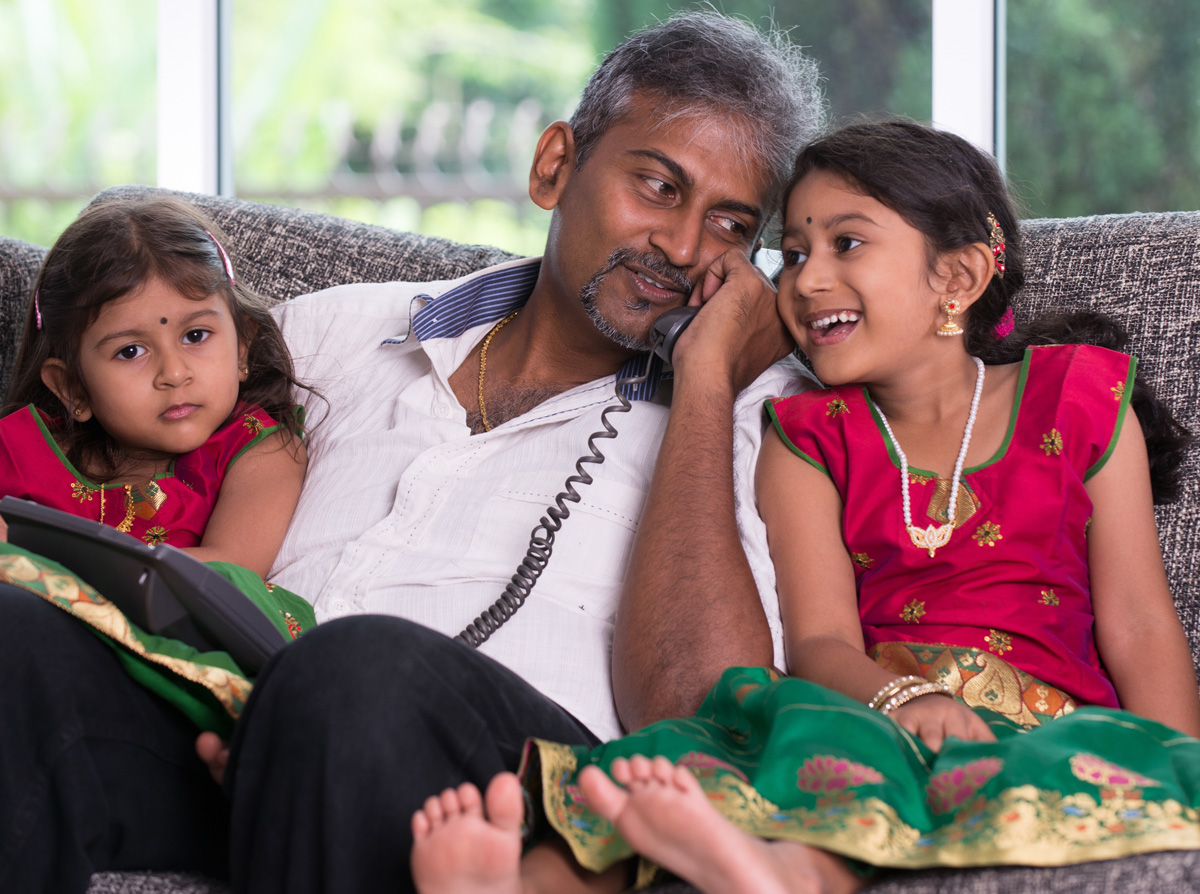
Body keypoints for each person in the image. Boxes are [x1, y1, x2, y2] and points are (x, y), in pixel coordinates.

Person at [0, 11, 823, 894]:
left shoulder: (760, 420)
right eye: (659, 186)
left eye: (732, 227)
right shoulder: (331, 334)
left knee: (351, 668)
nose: (685, 247)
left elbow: (699, 708)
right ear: (556, 166)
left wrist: (702, 383)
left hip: (516, 787)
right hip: (246, 727)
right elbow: (127, 471)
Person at [408, 120, 1200, 894]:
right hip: (876, 705)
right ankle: (527, 879)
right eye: (791, 254)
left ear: (956, 278)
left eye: (845, 244)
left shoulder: (1082, 398)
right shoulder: (808, 436)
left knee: (872, 768)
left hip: (1046, 726)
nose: (806, 280)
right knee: (770, 745)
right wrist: (902, 699)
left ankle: (782, 874)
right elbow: (820, 640)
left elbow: (1138, 622)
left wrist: (1180, 769)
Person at [0, 196, 307, 572]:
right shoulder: (20, 452)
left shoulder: (258, 450)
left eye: (195, 335)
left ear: (241, 346)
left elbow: (231, 569)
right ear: (71, 388)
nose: (174, 374)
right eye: (130, 351)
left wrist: (31, 553)